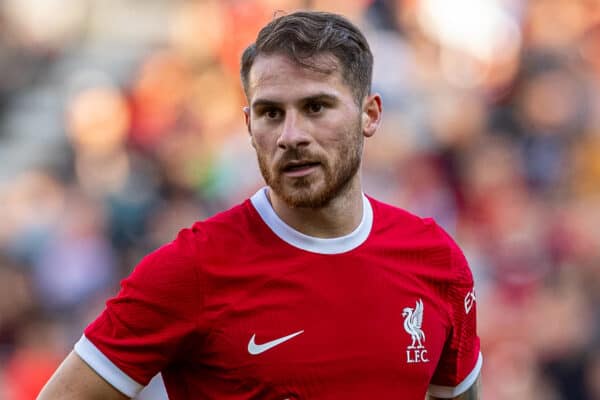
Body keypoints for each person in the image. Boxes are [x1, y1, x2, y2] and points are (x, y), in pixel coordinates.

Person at [38, 10, 482, 400]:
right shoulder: (192, 269)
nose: (291, 135)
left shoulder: (435, 260)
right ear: (249, 124)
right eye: (271, 113)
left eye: (316, 107)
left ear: (370, 114)